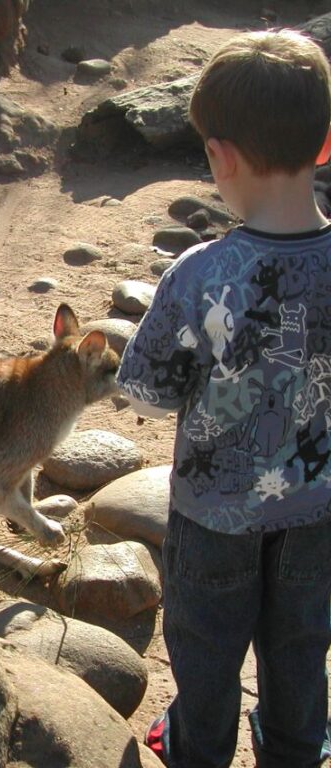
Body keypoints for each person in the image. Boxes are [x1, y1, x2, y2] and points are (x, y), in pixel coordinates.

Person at [116, 29, 331, 768]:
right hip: (320, 508)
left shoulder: (203, 271)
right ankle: (296, 749)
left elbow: (146, 385)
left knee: (206, 645)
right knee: (302, 643)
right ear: (326, 144)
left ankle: (198, 746)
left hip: (213, 511)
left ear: (222, 156)